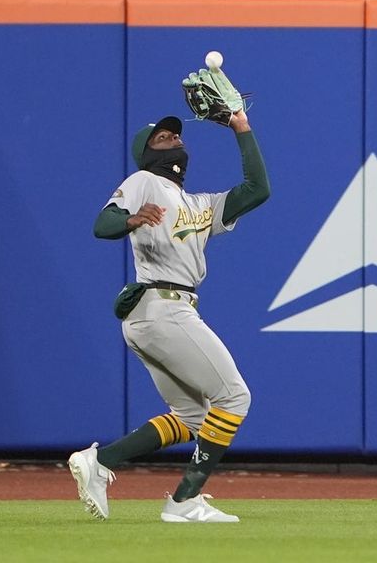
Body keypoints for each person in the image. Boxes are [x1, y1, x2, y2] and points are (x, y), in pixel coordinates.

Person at [68, 108, 269, 523]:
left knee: (194, 417)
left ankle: (100, 461)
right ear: (146, 153)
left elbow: (258, 188)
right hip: (162, 309)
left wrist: (241, 128)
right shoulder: (145, 182)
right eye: (161, 137)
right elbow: (102, 224)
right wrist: (131, 218)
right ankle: (184, 501)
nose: (173, 138)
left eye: (175, 135)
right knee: (235, 397)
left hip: (156, 315)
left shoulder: (201, 204)